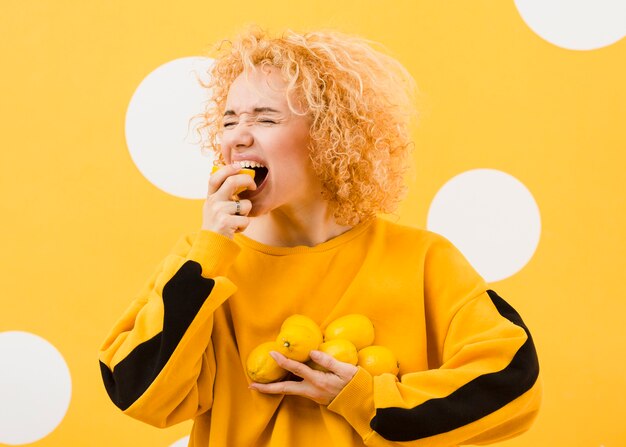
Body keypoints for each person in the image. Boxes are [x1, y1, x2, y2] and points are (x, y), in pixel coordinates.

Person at [99, 27, 541, 446]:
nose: (238, 137)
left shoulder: (423, 259)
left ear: (329, 135)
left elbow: (513, 380)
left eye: (266, 118)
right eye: (230, 120)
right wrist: (211, 249)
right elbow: (133, 389)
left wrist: (366, 398)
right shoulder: (203, 263)